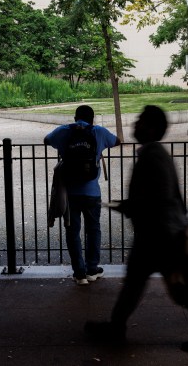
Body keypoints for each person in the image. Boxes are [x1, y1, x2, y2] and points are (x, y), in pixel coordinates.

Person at [84, 105, 188, 353]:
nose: (134, 125)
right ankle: (117, 327)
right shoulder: (155, 154)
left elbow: (158, 199)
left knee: (184, 288)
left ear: (151, 128)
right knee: (137, 284)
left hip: (161, 237)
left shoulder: (153, 157)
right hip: (158, 234)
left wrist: (129, 207)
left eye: (140, 121)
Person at [44, 105, 121, 285]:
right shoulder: (98, 131)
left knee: (73, 232)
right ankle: (92, 269)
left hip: (70, 194)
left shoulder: (64, 131)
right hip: (92, 192)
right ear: (92, 119)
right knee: (93, 230)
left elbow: (46, 140)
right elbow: (117, 141)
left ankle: (79, 273)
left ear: (75, 117)